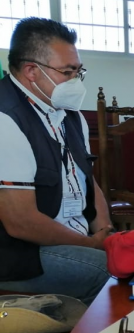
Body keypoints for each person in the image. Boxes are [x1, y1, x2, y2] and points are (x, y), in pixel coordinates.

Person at [0, 18, 112, 306]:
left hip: (75, 237)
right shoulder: (5, 118)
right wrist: (92, 245)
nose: (75, 80)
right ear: (31, 71)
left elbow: (88, 181)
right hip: (20, 253)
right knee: (109, 273)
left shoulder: (69, 113)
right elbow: (20, 222)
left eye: (78, 71)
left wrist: (106, 233)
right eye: (67, 72)